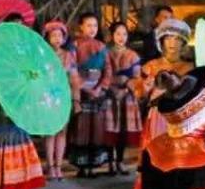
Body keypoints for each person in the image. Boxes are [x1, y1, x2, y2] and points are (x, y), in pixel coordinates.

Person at [135, 19, 193, 149]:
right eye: (168, 38)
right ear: (161, 41)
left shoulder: (191, 67)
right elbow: (139, 95)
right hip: (157, 118)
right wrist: (144, 89)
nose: (172, 43)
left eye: (177, 39)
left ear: (183, 43)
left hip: (182, 119)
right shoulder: (150, 66)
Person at [68, 12, 113, 177]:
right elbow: (72, 69)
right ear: (81, 26)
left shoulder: (102, 46)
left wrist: (101, 88)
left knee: (97, 128)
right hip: (81, 91)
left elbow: (108, 69)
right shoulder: (74, 46)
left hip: (98, 91)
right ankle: (81, 166)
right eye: (88, 25)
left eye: (95, 25)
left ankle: (93, 165)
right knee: (81, 128)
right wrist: (84, 88)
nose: (92, 29)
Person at [42, 20, 79, 180]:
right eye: (53, 35)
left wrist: (76, 99)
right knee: (50, 132)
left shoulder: (68, 56)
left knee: (62, 132)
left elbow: (74, 79)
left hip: (63, 97)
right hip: (47, 97)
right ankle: (50, 166)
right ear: (47, 38)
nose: (57, 39)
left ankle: (58, 166)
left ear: (64, 38)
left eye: (59, 35)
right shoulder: (42, 56)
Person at [104, 21, 142, 175]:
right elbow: (104, 74)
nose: (121, 37)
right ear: (112, 35)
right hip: (109, 95)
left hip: (127, 97)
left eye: (124, 34)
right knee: (110, 129)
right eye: (118, 34)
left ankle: (120, 161)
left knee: (122, 131)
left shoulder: (133, 55)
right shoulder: (105, 53)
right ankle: (110, 162)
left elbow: (137, 77)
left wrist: (126, 89)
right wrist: (111, 88)